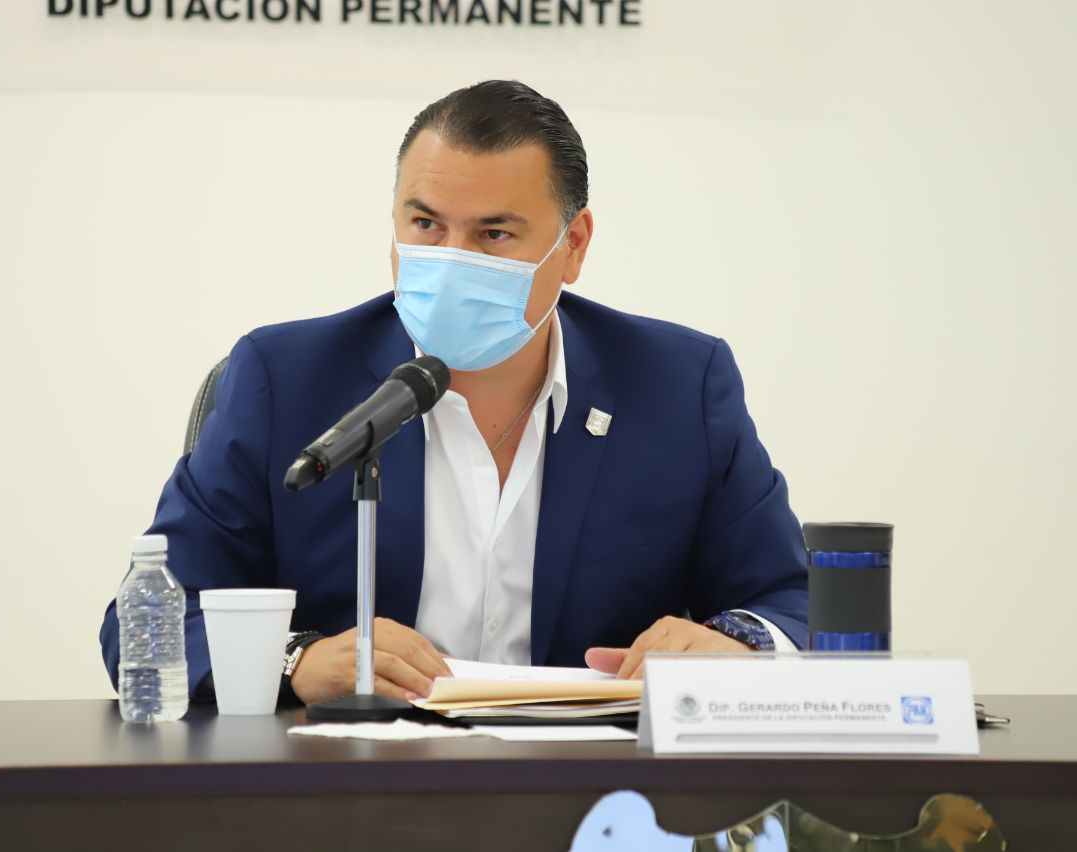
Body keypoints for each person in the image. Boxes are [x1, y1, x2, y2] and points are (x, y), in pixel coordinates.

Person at [99, 80, 809, 706]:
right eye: (426, 225)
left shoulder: (678, 387)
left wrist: (738, 643)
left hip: (591, 787)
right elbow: (149, 625)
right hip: (347, 783)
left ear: (573, 245)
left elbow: (794, 601)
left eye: (494, 233)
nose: (451, 260)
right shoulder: (286, 380)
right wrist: (297, 661)